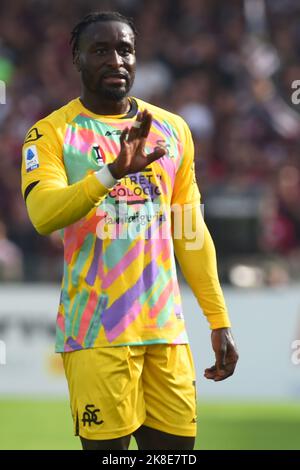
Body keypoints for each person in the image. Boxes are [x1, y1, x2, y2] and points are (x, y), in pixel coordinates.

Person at [21, 11, 238, 450]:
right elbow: (43, 214)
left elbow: (190, 230)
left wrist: (217, 319)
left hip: (166, 332)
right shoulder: (51, 134)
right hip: (96, 333)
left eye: (124, 50)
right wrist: (112, 172)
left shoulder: (173, 131)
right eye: (100, 50)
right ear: (77, 59)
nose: (116, 60)